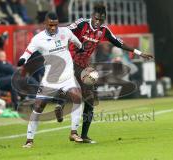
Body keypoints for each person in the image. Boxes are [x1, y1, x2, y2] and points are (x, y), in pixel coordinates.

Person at [56, 3, 153, 143]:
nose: (98, 22)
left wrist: (139, 52)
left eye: (101, 20)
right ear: (92, 16)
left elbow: (119, 43)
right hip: (70, 60)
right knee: (75, 89)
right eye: (96, 19)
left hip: (84, 65)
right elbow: (65, 30)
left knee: (90, 100)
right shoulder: (81, 24)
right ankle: (61, 105)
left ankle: (82, 134)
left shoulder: (104, 30)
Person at [18, 12, 84, 148]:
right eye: (50, 25)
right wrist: (22, 59)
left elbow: (76, 41)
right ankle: (29, 140)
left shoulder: (65, 32)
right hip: (50, 80)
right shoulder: (38, 38)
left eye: (55, 25)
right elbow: (28, 51)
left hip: (67, 77)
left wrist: (81, 47)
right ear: (45, 24)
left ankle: (73, 132)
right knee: (38, 107)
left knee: (77, 97)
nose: (53, 28)